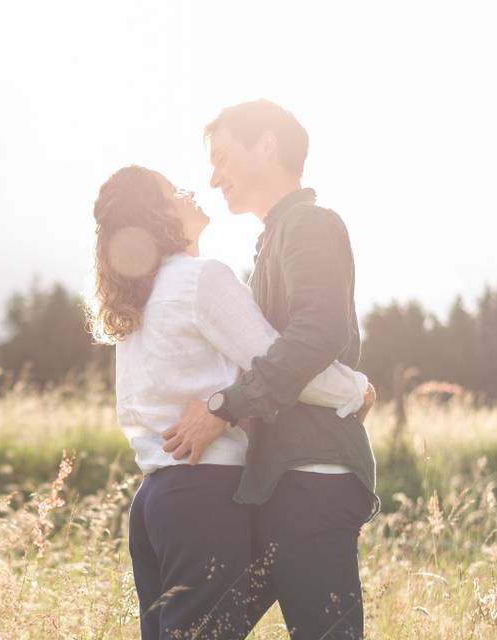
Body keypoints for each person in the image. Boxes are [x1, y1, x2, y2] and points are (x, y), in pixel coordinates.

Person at [88, 164, 375, 639]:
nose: (191, 191)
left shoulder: (141, 298)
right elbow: (284, 364)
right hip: (205, 494)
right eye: (174, 190)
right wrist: (355, 389)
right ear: (157, 214)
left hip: (155, 501)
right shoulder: (201, 280)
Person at [162, 99, 380, 639]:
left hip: (314, 479)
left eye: (223, 158)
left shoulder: (309, 224)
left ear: (266, 145)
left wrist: (224, 408)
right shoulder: (273, 238)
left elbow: (316, 332)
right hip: (278, 484)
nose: (214, 179)